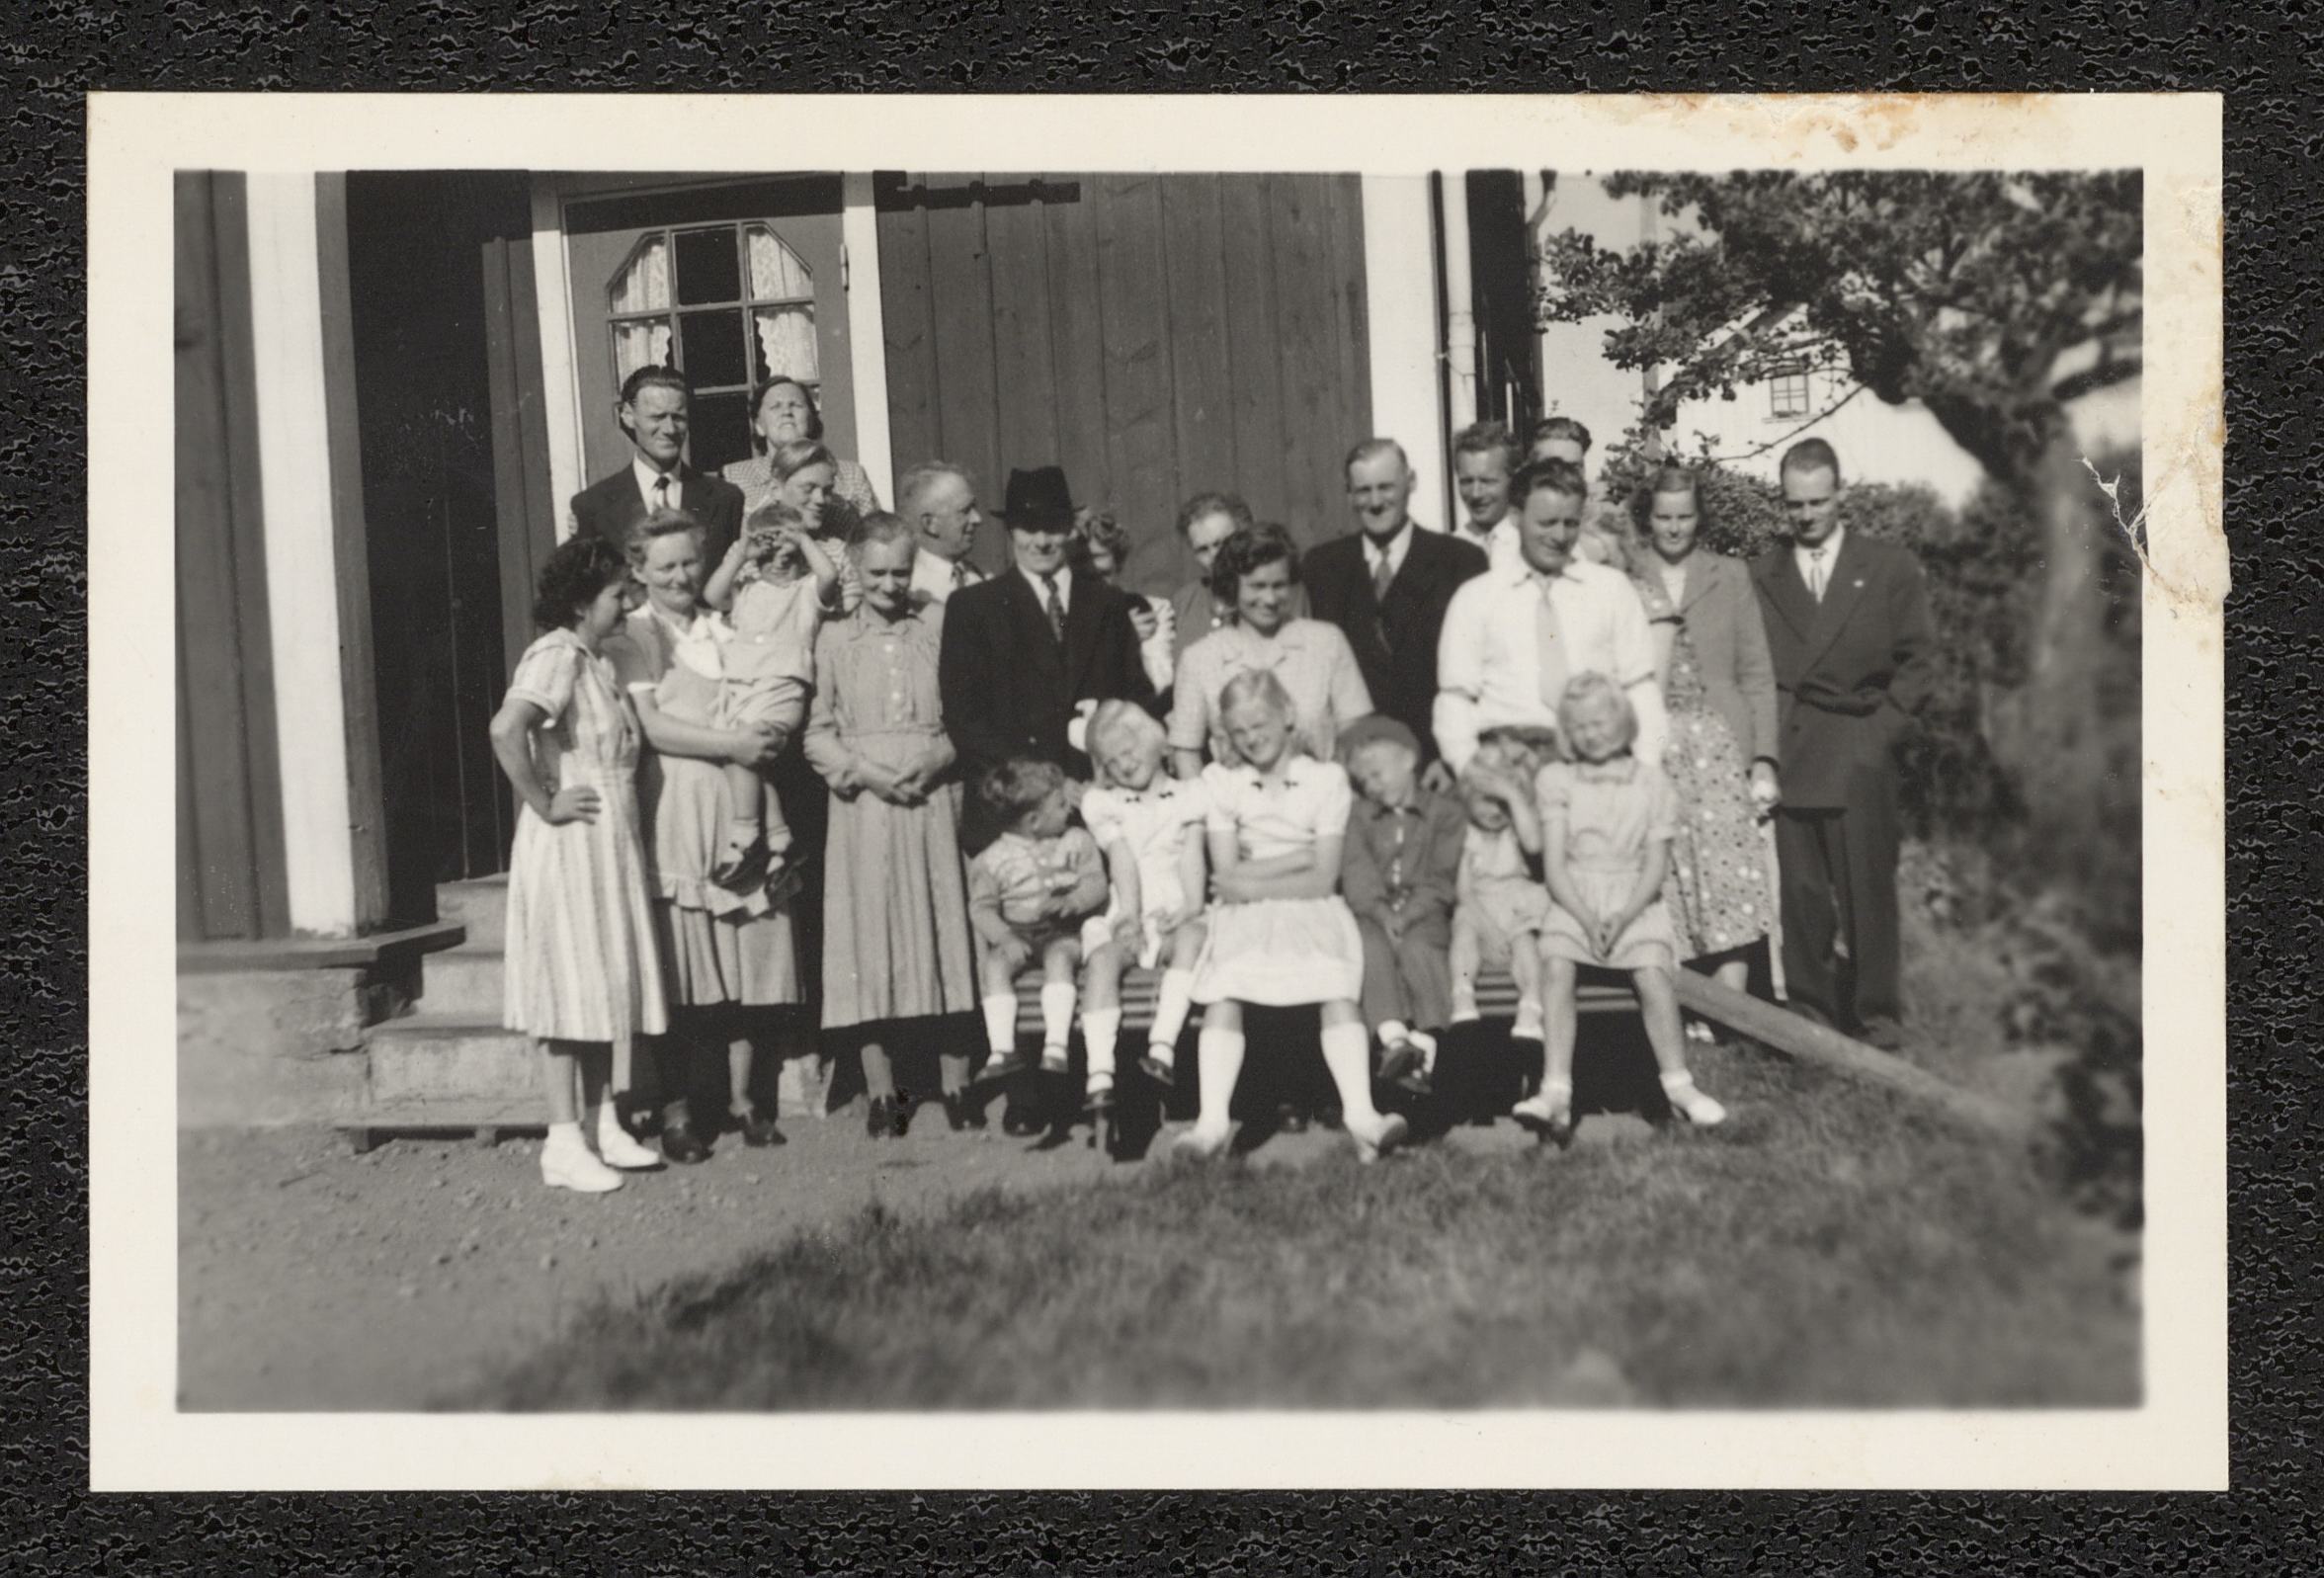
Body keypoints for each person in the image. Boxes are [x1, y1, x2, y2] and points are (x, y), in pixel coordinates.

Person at [609, 510, 802, 1164]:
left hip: (740, 802)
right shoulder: (634, 636)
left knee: (746, 955)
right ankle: (678, 1111)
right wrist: (734, 744)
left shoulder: (725, 626)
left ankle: (744, 1101)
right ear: (639, 571)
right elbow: (654, 727)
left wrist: (762, 736)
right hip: (678, 803)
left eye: (689, 561)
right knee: (683, 968)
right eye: (664, 566)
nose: (680, 576)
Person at [487, 537, 669, 1193]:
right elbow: (506, 728)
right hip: (569, 845)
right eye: (618, 593)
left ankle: (604, 1122)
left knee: (602, 984)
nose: (629, 604)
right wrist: (544, 801)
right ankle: (562, 1141)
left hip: (607, 844)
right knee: (567, 992)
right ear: (580, 602)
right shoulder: (557, 654)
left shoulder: (600, 661)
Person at [1176, 670, 1410, 1166]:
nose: (1251, 738)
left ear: (1286, 716)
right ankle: (1211, 1123)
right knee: (1225, 987)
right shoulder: (1224, 782)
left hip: (1312, 909)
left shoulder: (1325, 780)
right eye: (1239, 731)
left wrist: (1258, 876)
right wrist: (1299, 856)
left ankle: (1363, 1116)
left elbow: (1323, 878)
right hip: (1245, 915)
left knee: (1334, 982)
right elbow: (1225, 874)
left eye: (1259, 724)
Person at [802, 513, 984, 1139]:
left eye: (900, 573)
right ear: (855, 569)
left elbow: (968, 712)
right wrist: (865, 773)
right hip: (865, 806)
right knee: (869, 940)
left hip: (934, 796)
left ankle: (957, 1082)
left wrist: (940, 756)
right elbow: (816, 731)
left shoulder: (935, 627)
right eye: (876, 573)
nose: (888, 585)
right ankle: (883, 1091)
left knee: (945, 927)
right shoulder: (833, 638)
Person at [1750, 439, 1934, 1047]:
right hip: (1793, 744)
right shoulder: (1762, 573)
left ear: (1840, 496)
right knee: (1802, 894)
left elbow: (1919, 662)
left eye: (1818, 502)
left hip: (1859, 744)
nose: (1805, 515)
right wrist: (1765, 747)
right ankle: (1812, 1020)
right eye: (1794, 504)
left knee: (1867, 892)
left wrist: (1879, 735)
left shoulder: (1887, 567)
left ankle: (1877, 1018)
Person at [1513, 673, 1728, 1143]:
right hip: (1574, 897)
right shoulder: (1557, 780)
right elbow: (1555, 865)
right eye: (1579, 726)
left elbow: (1655, 865)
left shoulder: (1652, 783)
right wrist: (1587, 919)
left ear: (1622, 720)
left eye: (1600, 722)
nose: (1591, 733)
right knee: (1556, 966)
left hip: (1635, 899)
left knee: (1652, 974)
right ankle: (1556, 1089)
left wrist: (1625, 915)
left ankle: (1679, 1085)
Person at [1627, 462, 1781, 1033]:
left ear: (1700, 518)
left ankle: (1729, 1015)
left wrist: (1764, 758)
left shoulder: (1729, 574)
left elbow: (1757, 673)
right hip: (1654, 743)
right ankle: (1687, 1009)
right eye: (1663, 517)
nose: (1674, 528)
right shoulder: (1626, 572)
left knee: (1726, 877)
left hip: (1719, 746)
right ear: (1648, 518)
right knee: (1670, 877)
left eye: (1684, 517)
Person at [938, 464, 1158, 822]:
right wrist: (1047, 781)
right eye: (1028, 528)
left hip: (1102, 800)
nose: (1041, 541)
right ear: (1010, 530)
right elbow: (966, 720)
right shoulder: (974, 608)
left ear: (1070, 528)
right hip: (1015, 809)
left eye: (1052, 527)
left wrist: (1111, 770)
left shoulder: (1108, 603)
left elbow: (1136, 697)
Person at [1434, 457, 1669, 777]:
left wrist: (1646, 767)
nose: (1560, 535)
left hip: (1598, 760)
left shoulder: (1611, 589)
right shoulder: (1477, 597)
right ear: (1515, 516)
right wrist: (1468, 768)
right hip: (1508, 762)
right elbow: (1455, 696)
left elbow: (1640, 686)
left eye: (1570, 523)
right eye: (1546, 523)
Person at [1303, 439, 1488, 777]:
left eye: (1386, 487)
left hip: (1435, 764)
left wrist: (1450, 758)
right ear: (1349, 494)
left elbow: (1477, 673)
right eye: (1363, 490)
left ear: (1411, 482)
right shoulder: (1322, 567)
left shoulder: (1460, 561)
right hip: (1352, 763)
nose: (1375, 502)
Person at [699, 498, 843, 885]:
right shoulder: (746, 590)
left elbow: (829, 575)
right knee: (744, 757)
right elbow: (712, 595)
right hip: (740, 691)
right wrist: (742, 554)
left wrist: (804, 540)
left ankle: (745, 836)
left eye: (789, 556)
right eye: (768, 555)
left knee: (744, 750)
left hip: (781, 689)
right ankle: (781, 841)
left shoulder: (805, 592)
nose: (779, 562)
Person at [1170, 523, 1372, 779]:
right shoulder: (1200, 658)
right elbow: (1186, 751)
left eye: (1279, 585)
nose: (1270, 599)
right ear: (1232, 586)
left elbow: (1356, 732)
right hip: (1235, 801)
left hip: (1319, 797)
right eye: (1257, 586)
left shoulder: (1326, 642)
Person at [1080, 701, 1209, 1100]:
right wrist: (1129, 917)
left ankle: (1162, 1047)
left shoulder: (1190, 795)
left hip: (1176, 908)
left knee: (1193, 938)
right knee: (1103, 959)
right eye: (1112, 760)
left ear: (1155, 743)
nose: (1124, 764)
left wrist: (1190, 907)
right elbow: (1122, 860)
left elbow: (1191, 856)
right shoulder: (1105, 804)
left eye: (1129, 751)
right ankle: (1099, 1073)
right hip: (1129, 909)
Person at [966, 758, 1117, 1090]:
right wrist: (1005, 937)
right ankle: (1002, 1049)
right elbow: (982, 909)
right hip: (1017, 934)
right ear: (1034, 821)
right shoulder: (991, 859)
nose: (1069, 810)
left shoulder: (1076, 841)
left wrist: (1075, 900)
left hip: (1063, 931)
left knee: (1059, 958)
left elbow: (1096, 881)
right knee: (994, 965)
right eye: (1061, 805)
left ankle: (1056, 1045)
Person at [1337, 714, 1462, 1099]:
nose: (1372, 786)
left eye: (1377, 774)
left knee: (1420, 948)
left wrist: (1407, 916)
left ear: (1408, 760)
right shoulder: (1359, 817)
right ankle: (1393, 1038)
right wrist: (1381, 913)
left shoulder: (1444, 813)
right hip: (1374, 912)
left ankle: (1426, 1044)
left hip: (1423, 912)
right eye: (1364, 781)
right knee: (1368, 945)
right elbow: (1357, 872)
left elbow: (1441, 877)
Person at [569, 366, 746, 565]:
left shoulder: (725, 499)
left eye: (678, 417)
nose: (669, 429)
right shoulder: (593, 506)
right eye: (657, 417)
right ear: (628, 415)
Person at [1449, 726, 1556, 1042]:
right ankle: (1462, 992)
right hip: (1479, 905)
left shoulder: (1518, 831)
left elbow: (1534, 842)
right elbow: (1464, 892)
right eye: (1486, 801)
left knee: (1526, 942)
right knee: (1464, 931)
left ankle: (1531, 1003)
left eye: (1504, 803)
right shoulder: (1467, 835)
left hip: (1519, 902)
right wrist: (1488, 930)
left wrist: (1514, 798)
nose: (1495, 811)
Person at [721, 376, 882, 520]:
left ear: (811, 420)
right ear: (759, 426)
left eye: (796, 405)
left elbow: (875, 533)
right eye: (775, 407)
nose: (786, 412)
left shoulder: (851, 475)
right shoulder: (734, 477)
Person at [751, 438, 866, 614]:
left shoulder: (839, 553)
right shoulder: (754, 551)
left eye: (827, 491)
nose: (820, 500)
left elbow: (852, 616)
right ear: (776, 489)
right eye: (808, 489)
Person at [1074, 506, 1176, 697]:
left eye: (1103, 575)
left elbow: (1161, 682)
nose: (1096, 587)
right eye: (1087, 577)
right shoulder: (1062, 617)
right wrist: (1122, 638)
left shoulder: (1153, 610)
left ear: (1118, 565)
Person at [1526, 414, 1626, 570]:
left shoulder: (1608, 531)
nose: (1565, 477)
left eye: (1574, 468)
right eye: (1552, 467)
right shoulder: (1508, 530)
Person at [1168, 491, 1255, 662]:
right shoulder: (1183, 603)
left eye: (1222, 543)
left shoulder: (1274, 593)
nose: (1215, 555)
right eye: (1203, 549)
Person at [895, 459, 989, 606]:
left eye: (974, 508)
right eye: (965, 511)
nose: (977, 519)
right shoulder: (908, 588)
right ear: (930, 524)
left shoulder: (977, 577)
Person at [1450, 420, 1524, 570]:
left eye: (1487, 481)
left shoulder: (1534, 546)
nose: (1475, 494)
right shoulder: (1448, 551)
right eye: (1466, 481)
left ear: (1515, 480)